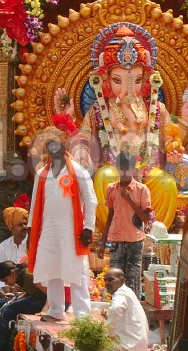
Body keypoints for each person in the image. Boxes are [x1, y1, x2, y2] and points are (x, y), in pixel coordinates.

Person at [27, 135, 97, 321]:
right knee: (52, 269)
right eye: (49, 146)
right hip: (48, 230)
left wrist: (88, 228)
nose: (53, 149)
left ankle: (83, 315)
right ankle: (56, 310)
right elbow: (34, 205)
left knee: (77, 272)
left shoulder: (78, 171)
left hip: (71, 230)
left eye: (56, 145)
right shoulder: (42, 173)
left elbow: (91, 201)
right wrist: (30, 230)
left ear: (64, 147)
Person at [98, 153, 154, 294]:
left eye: (127, 169)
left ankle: (133, 314)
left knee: (133, 280)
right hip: (116, 241)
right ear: (117, 168)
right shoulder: (111, 188)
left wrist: (130, 200)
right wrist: (103, 243)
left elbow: (145, 218)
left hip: (134, 241)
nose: (123, 172)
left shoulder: (142, 190)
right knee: (114, 280)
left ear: (133, 169)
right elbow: (110, 216)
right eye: (121, 168)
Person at [98, 268, 149, 351]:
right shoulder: (127, 292)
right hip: (139, 344)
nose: (107, 283)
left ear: (122, 280)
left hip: (129, 345)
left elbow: (116, 308)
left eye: (111, 280)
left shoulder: (120, 294)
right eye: (105, 280)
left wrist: (109, 334)